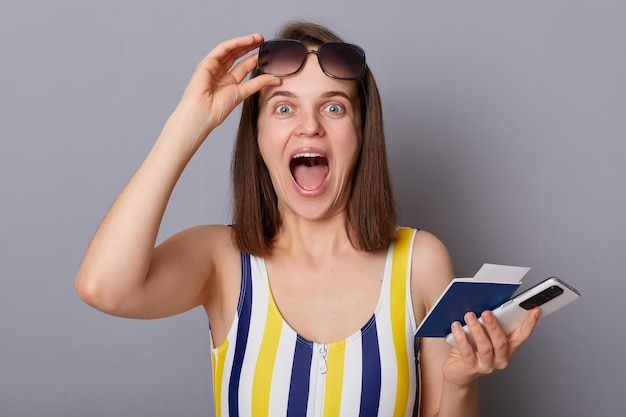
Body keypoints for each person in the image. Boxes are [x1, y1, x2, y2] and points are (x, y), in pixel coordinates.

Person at [75, 21, 539, 417]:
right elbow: (104, 286)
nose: (310, 126)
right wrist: (189, 123)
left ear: (361, 134)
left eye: (334, 107)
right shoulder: (223, 260)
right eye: (283, 108)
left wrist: (460, 383)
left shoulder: (420, 262)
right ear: (256, 137)